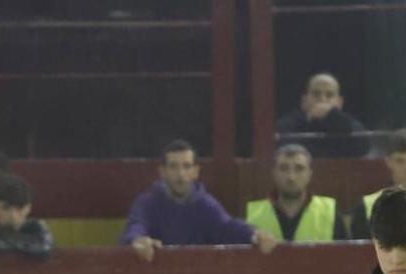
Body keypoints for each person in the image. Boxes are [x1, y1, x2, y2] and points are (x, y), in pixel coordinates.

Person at [122, 138, 276, 260]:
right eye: (174, 167)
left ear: (196, 171)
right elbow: (136, 225)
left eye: (187, 166)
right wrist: (138, 240)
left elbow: (227, 227)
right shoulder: (147, 203)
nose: (181, 174)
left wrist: (254, 234)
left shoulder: (206, 205)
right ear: (162, 172)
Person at [246, 142, 338, 243]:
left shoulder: (330, 212)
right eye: (284, 169)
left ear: (309, 174)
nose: (291, 177)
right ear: (274, 174)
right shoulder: (252, 215)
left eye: (299, 169)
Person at [273, 71, 370, 158]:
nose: (322, 99)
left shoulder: (349, 123)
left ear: (340, 102)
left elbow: (362, 146)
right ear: (304, 101)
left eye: (329, 95)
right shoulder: (288, 123)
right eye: (316, 94)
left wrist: (332, 116)